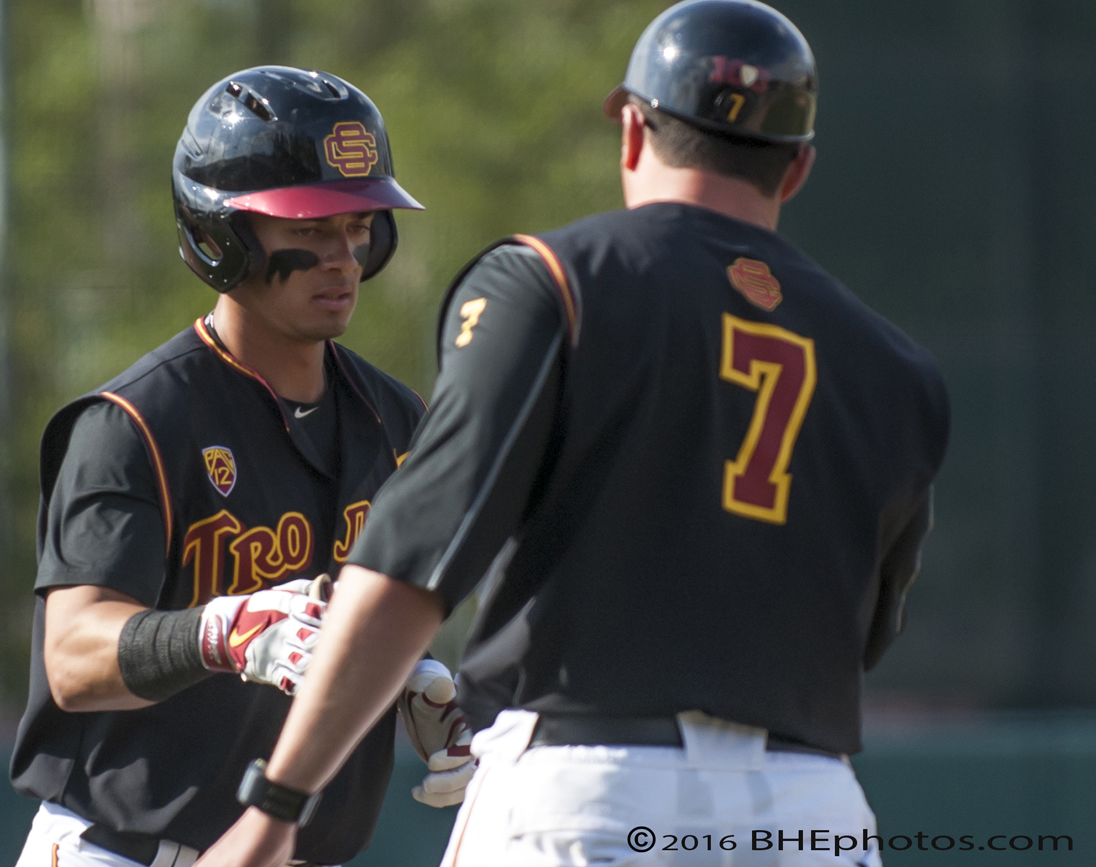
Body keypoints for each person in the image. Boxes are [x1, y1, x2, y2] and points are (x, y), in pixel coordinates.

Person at [198, 2, 951, 866]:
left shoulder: (553, 281)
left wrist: (279, 802)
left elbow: (412, 567)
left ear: (631, 131)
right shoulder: (900, 370)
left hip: (589, 788)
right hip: (808, 808)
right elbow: (866, 634)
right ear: (799, 167)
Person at [9, 66, 472, 867]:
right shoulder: (136, 422)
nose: (344, 257)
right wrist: (220, 632)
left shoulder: (395, 422)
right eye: (310, 228)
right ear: (220, 234)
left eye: (359, 225)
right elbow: (73, 656)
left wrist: (407, 674)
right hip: (123, 851)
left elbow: (360, 612)